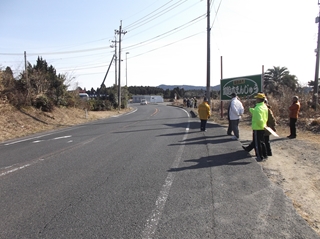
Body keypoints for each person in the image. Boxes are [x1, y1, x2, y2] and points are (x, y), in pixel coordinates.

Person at [242, 92, 269, 161]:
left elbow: (259, 119)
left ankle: (260, 156)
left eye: (257, 98)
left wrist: (261, 125)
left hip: (258, 127)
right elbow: (257, 113)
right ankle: (265, 154)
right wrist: (250, 109)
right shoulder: (264, 107)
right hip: (263, 127)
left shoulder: (258, 108)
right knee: (261, 142)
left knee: (258, 143)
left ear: (259, 99)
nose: (256, 99)